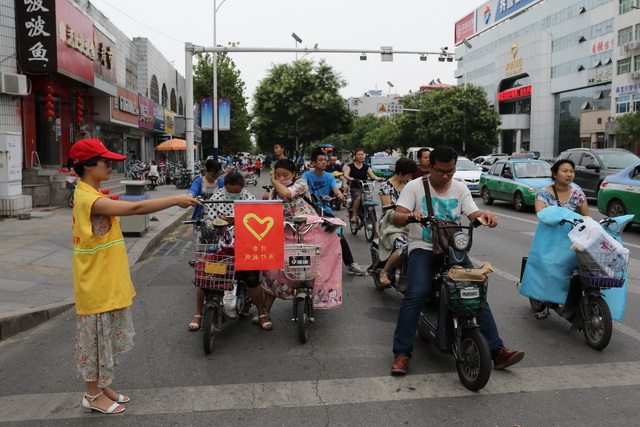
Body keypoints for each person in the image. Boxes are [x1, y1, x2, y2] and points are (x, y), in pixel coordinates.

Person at [69, 138, 199, 414]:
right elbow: (135, 208)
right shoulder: (89, 199)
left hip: (104, 278)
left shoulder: (91, 193)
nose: (111, 166)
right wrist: (175, 199)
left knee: (104, 339)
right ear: (89, 165)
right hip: (96, 283)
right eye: (106, 161)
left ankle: (101, 386)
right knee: (95, 341)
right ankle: (92, 394)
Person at [389, 145, 525, 375]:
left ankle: (498, 351)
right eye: (441, 171)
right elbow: (397, 215)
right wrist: (411, 215)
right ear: (429, 167)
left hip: (453, 249)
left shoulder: (460, 187)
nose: (446, 176)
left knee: (474, 292)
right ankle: (402, 353)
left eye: (450, 171)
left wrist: (485, 215)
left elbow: (473, 213)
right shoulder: (415, 186)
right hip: (422, 247)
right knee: (416, 294)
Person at [187, 172, 274, 331]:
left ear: (243, 188)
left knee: (252, 279)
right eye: (230, 191)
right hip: (218, 244)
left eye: (237, 192)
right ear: (225, 187)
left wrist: (238, 221)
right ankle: (198, 314)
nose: (233, 194)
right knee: (205, 278)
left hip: (244, 245)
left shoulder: (249, 199)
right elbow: (208, 222)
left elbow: (256, 223)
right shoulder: (216, 199)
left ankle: (261, 313)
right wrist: (221, 223)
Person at [534, 159, 589, 316]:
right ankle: (550, 296)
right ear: (555, 174)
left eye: (571, 171)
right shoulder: (543, 193)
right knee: (552, 267)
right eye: (565, 171)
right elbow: (541, 212)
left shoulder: (578, 193)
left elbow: (586, 216)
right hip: (551, 238)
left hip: (573, 238)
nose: (569, 174)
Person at [302, 149, 367, 275]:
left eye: (324, 160)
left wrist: (340, 195)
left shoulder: (329, 176)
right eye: (320, 160)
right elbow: (301, 186)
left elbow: (335, 189)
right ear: (313, 163)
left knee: (339, 234)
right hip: (309, 211)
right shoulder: (306, 176)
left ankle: (351, 264)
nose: (323, 162)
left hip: (325, 211)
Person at [377, 157, 418, 285]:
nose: (410, 177)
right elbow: (388, 212)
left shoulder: (409, 186)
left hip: (409, 221)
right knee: (403, 245)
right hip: (390, 224)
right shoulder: (386, 186)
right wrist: (406, 216)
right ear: (400, 173)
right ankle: (384, 272)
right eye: (409, 174)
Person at [343, 148, 384, 223]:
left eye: (362, 154)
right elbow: (345, 174)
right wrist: (349, 178)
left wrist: (378, 178)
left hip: (365, 187)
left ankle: (374, 223)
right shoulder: (350, 166)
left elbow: (372, 176)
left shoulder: (366, 167)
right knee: (358, 197)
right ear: (355, 156)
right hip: (355, 188)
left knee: (370, 201)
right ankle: (354, 215)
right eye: (358, 155)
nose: (360, 156)